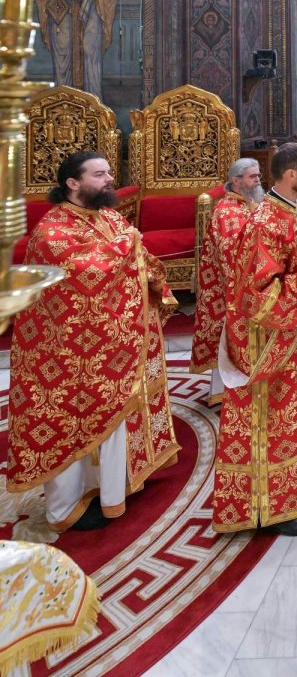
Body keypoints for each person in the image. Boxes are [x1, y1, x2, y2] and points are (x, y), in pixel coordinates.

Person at [7, 152, 179, 531]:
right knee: (67, 425)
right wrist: (127, 246)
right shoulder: (52, 232)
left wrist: (147, 273)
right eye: (99, 174)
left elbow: (137, 253)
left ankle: (107, 489)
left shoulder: (108, 216)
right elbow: (85, 274)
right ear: (73, 183)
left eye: (107, 173)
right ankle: (65, 508)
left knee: (114, 421)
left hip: (109, 345)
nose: (108, 180)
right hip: (62, 355)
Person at [213, 143, 297, 536]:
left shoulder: (290, 209)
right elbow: (256, 294)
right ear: (292, 175)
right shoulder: (264, 223)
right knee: (277, 422)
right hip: (271, 342)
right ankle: (272, 510)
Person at [191, 157, 263, 401]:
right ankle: (227, 392)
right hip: (228, 291)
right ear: (236, 180)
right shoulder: (227, 212)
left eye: (258, 175)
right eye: (253, 176)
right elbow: (233, 258)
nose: (258, 180)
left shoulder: (249, 203)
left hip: (245, 289)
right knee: (229, 342)